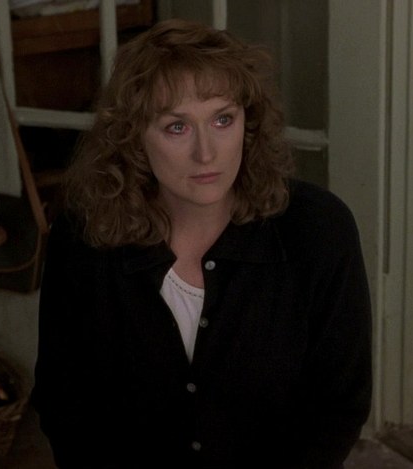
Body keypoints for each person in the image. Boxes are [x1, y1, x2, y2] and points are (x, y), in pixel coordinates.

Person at [30, 18, 373, 468]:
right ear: (133, 138)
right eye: (177, 127)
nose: (206, 153)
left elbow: (338, 404)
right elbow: (66, 405)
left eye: (222, 119)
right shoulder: (83, 237)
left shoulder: (318, 230)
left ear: (248, 123)